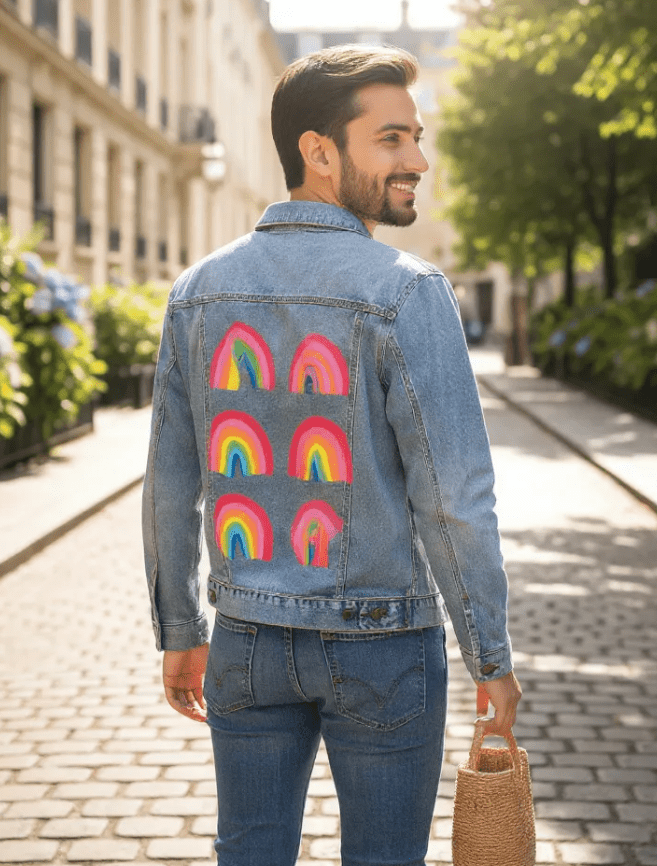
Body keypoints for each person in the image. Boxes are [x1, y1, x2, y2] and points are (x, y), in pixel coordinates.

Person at [143, 44, 521, 866]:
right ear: (318, 152)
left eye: (416, 137)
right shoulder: (408, 290)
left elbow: (172, 482)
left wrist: (181, 627)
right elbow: (453, 494)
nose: (418, 159)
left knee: (249, 853)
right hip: (383, 644)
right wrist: (490, 653)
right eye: (392, 139)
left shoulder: (196, 292)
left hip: (245, 638)